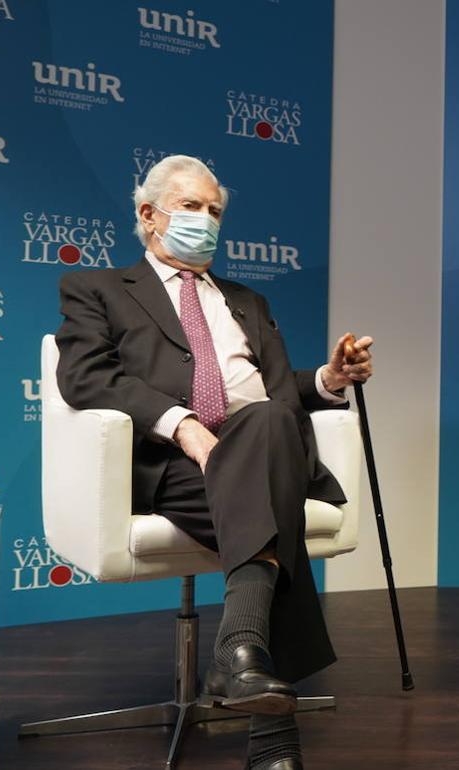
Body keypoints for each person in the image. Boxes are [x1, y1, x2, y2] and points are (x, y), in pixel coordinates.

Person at [55, 154, 372, 770]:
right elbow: (85, 377)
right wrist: (185, 427)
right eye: (192, 207)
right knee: (270, 499)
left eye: (215, 211)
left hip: (266, 448)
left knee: (267, 420)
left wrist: (330, 380)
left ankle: (240, 655)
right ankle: (269, 729)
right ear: (149, 215)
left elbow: (278, 395)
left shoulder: (246, 300)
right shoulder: (96, 289)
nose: (207, 221)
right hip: (170, 467)